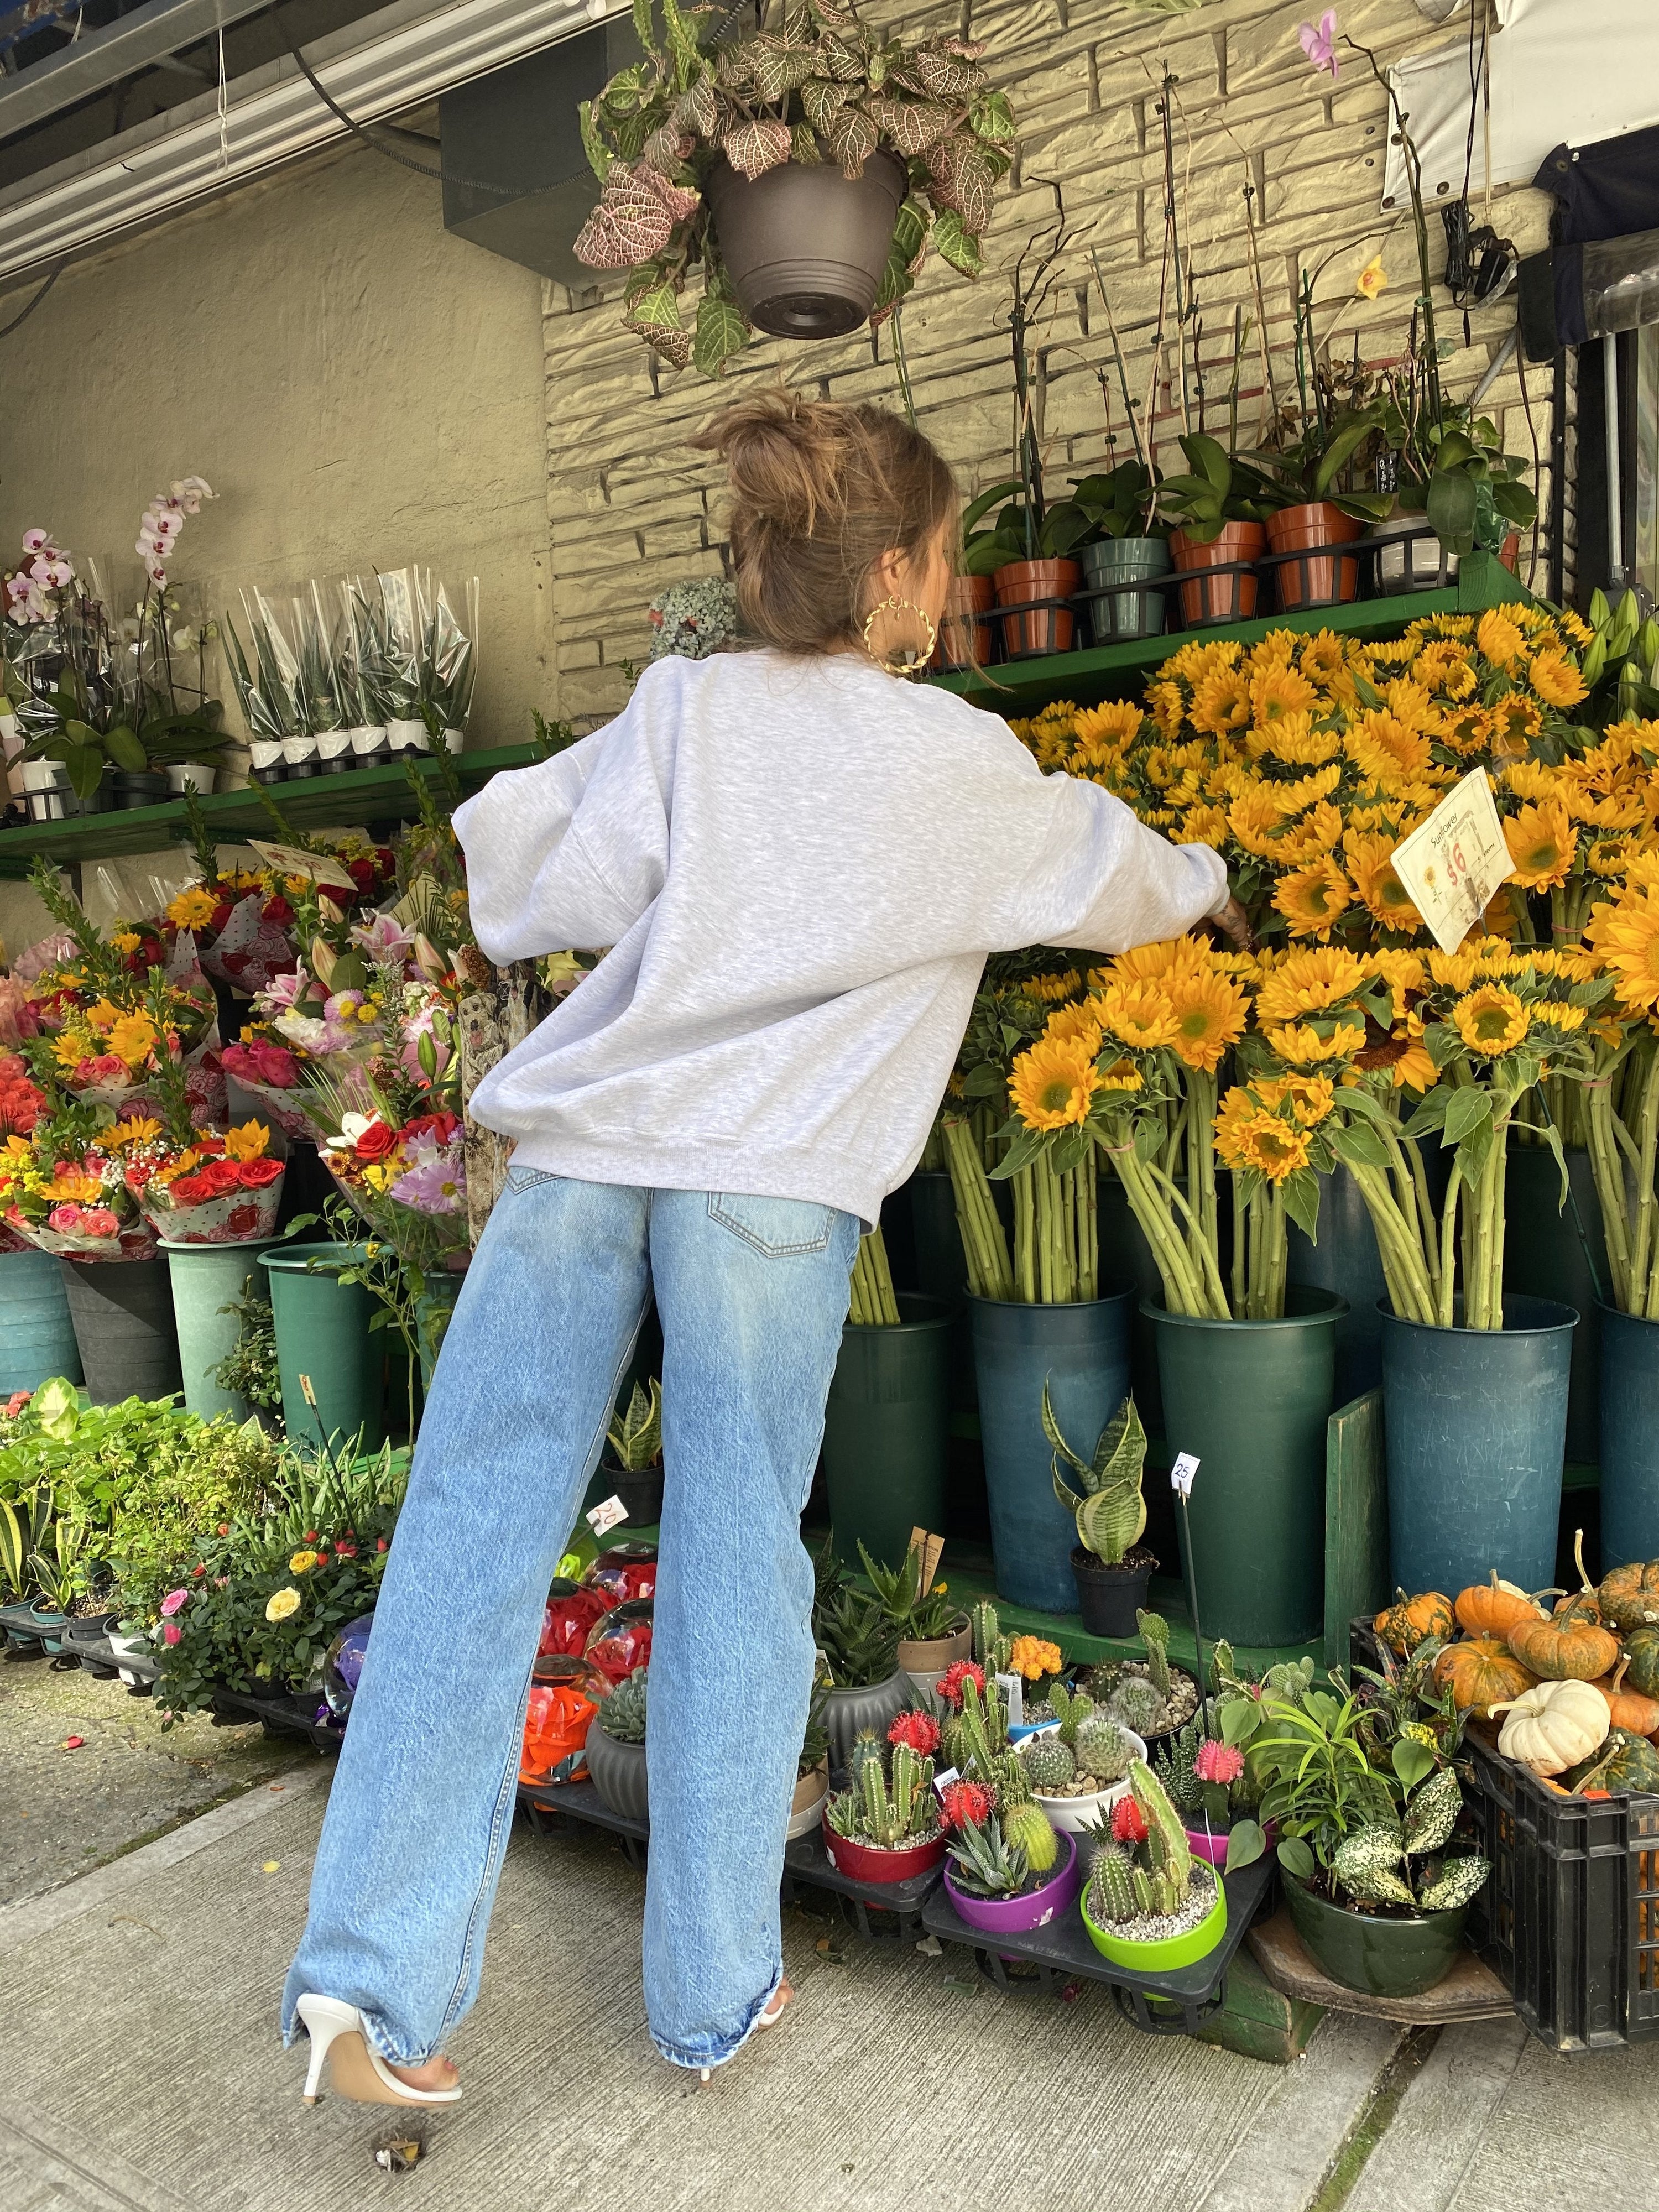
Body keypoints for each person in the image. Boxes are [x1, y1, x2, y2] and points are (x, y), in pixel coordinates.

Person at [281, 389, 1245, 2105]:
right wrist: (1205, 876)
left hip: (582, 1164)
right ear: (889, 576)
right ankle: (711, 1993)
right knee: (739, 1555)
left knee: (473, 1532)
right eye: (945, 559)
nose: (948, 592)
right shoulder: (950, 760)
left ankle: (368, 1991)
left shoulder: (683, 714)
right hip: (766, 1192)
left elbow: (522, 872)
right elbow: (1105, 874)